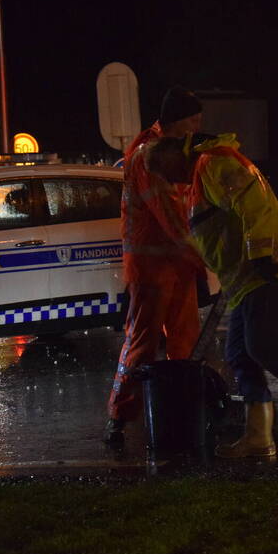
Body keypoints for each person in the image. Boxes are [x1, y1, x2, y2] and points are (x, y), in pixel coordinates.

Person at [147, 133, 278, 457]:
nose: (166, 178)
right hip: (245, 279)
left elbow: (254, 206)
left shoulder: (214, 164)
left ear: (176, 154)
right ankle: (259, 438)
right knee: (241, 355)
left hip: (265, 270)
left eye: (163, 168)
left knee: (262, 346)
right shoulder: (199, 178)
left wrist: (261, 255)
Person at [103, 87, 207, 447]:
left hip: (174, 263)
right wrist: (203, 255)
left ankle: (181, 406)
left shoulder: (169, 151)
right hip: (151, 267)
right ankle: (120, 413)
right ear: (178, 120)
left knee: (185, 339)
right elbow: (170, 216)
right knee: (142, 341)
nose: (197, 127)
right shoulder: (149, 157)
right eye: (193, 120)